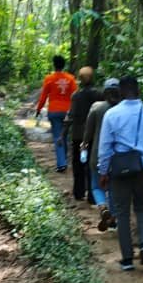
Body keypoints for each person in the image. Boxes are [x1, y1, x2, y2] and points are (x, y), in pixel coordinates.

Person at [98, 74, 143, 270]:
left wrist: (103, 172)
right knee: (142, 206)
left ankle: (127, 259)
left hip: (119, 171)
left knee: (122, 213)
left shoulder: (111, 115)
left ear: (120, 92)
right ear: (138, 91)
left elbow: (105, 148)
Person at [82, 78, 120, 231]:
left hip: (98, 154)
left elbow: (88, 132)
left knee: (96, 187)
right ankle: (113, 220)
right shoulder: (124, 110)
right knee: (114, 188)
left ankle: (103, 208)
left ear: (104, 93)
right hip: (118, 156)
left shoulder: (97, 108)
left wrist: (84, 144)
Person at [60, 67, 101, 200]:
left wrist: (62, 134)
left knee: (78, 165)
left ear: (80, 80)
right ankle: (92, 195)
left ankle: (78, 192)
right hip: (94, 135)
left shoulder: (76, 96)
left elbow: (70, 116)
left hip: (78, 135)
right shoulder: (99, 95)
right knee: (92, 165)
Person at [35, 54, 78, 172]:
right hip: (68, 112)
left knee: (57, 136)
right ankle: (63, 160)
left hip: (54, 111)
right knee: (63, 136)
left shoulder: (49, 78)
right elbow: (75, 96)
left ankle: (61, 163)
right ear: (64, 65)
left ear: (54, 65)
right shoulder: (70, 78)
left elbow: (43, 96)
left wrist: (39, 109)